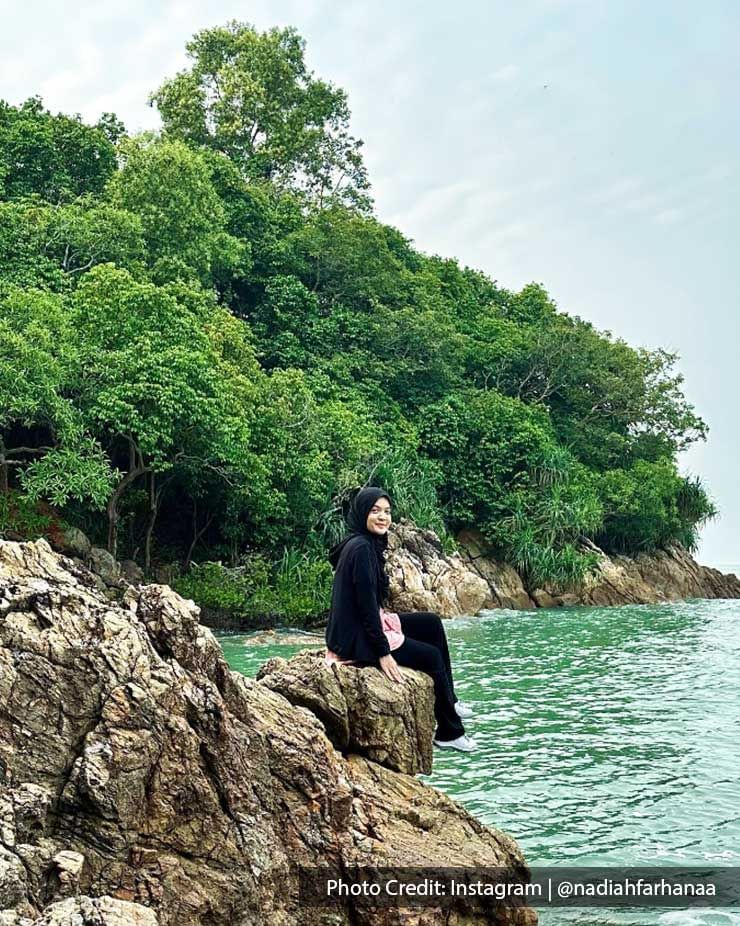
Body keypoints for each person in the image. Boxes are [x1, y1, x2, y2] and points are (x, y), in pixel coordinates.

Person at [325, 486, 476, 752]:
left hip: (359, 626)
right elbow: (365, 606)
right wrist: (383, 652)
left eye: (387, 511)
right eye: (375, 511)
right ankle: (449, 732)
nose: (383, 517)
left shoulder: (365, 543)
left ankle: (449, 700)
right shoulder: (360, 548)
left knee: (431, 623)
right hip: (354, 637)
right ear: (362, 514)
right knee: (431, 657)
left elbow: (370, 604)